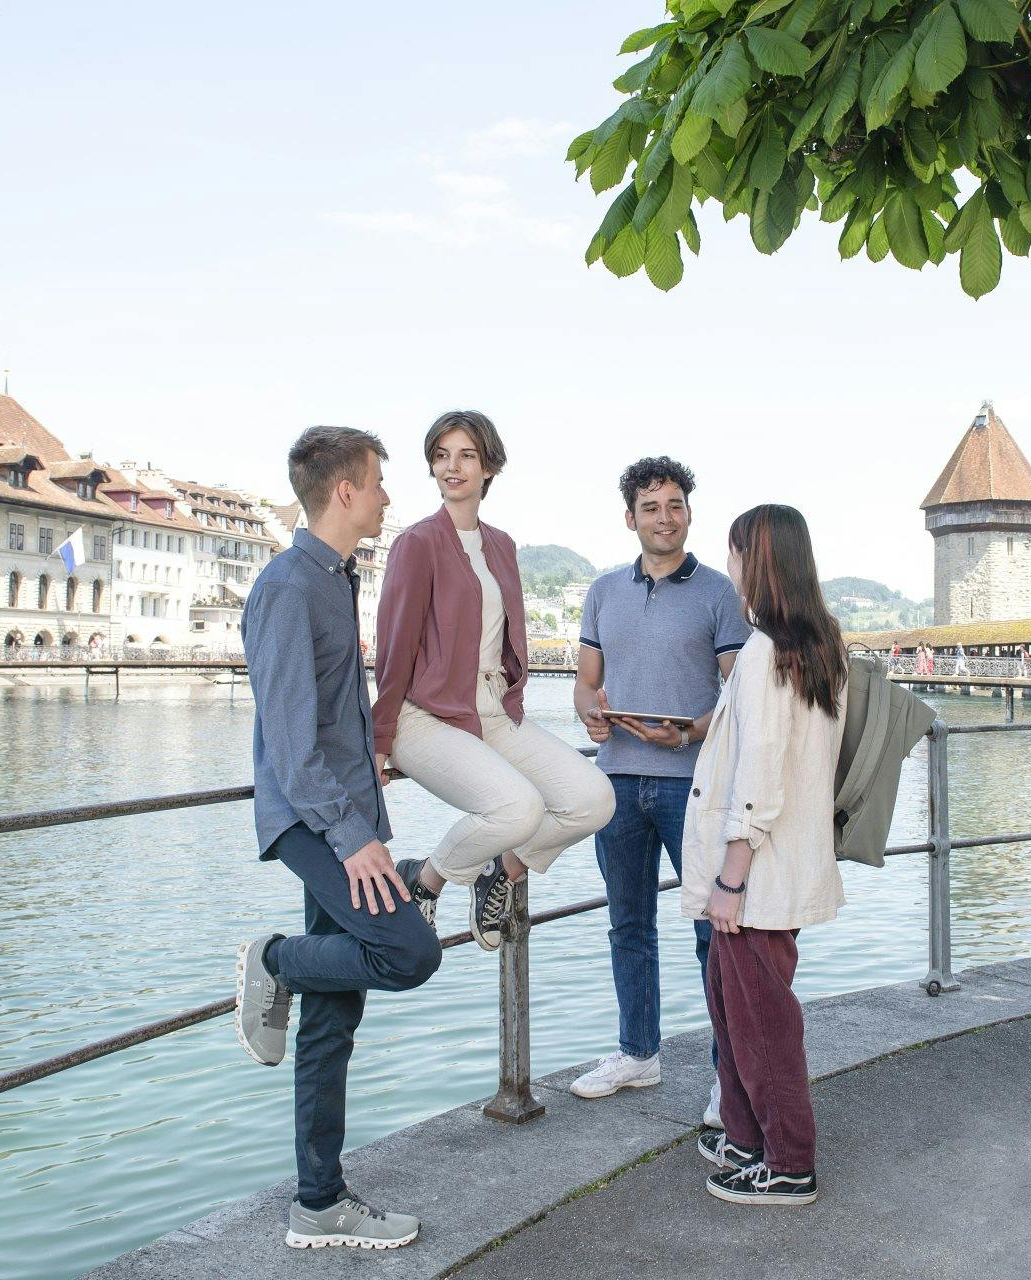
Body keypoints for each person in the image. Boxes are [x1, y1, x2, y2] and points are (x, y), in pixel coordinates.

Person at [233, 425, 443, 1251]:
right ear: (345, 491)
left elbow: (325, 714)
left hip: (345, 817)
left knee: (331, 1016)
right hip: (317, 825)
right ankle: (273, 960)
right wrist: (355, 839)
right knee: (409, 952)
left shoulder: (334, 578)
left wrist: (370, 773)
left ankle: (319, 1203)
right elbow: (288, 743)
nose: (390, 496)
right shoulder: (289, 586)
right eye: (380, 483)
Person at [373, 410, 615, 949]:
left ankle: (501, 872)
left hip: (492, 709)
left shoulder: (502, 546)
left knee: (593, 798)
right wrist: (380, 743)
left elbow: (507, 639)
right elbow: (393, 650)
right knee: (517, 806)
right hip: (426, 715)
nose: (451, 467)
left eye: (466, 456)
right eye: (441, 455)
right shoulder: (417, 544)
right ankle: (426, 880)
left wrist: (511, 698)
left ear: (489, 468)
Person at [567, 457, 751, 1122]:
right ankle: (638, 1055)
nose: (664, 517)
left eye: (674, 505)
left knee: (713, 931)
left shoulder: (718, 596)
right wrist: (590, 708)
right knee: (628, 926)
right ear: (631, 518)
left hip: (693, 784)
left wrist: (697, 729)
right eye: (651, 507)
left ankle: (727, 1077)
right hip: (615, 779)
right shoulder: (602, 591)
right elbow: (587, 680)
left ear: (688, 514)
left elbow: (742, 689)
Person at [684, 503, 848, 1208]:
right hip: (786, 867)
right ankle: (748, 1140)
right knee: (736, 1008)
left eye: (736, 553)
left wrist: (730, 879)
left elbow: (760, 771)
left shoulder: (762, 653)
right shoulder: (818, 645)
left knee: (760, 1025)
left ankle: (789, 1162)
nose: (731, 566)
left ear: (759, 563)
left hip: (759, 877)